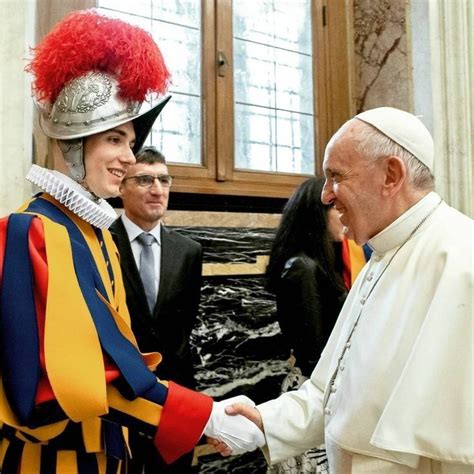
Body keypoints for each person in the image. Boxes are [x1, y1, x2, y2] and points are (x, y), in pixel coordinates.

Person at [0, 10, 263, 472]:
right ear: (74, 143)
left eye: (130, 141)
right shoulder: (31, 232)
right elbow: (76, 381)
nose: (128, 157)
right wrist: (207, 418)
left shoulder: (94, 232)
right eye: (115, 140)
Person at [211, 106, 474, 473]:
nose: (325, 197)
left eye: (336, 176)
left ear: (391, 175)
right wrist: (264, 420)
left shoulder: (462, 260)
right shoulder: (381, 256)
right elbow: (333, 391)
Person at [110, 146, 203, 472]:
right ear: (121, 187)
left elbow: (184, 325)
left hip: (174, 398)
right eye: (145, 179)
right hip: (116, 398)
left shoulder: (188, 251)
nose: (157, 189)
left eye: (164, 180)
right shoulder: (100, 243)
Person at [265, 177, 349, 473]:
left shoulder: (319, 264)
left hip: (322, 392)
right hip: (314, 393)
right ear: (316, 214)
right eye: (336, 208)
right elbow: (313, 350)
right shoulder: (302, 268)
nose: (345, 215)